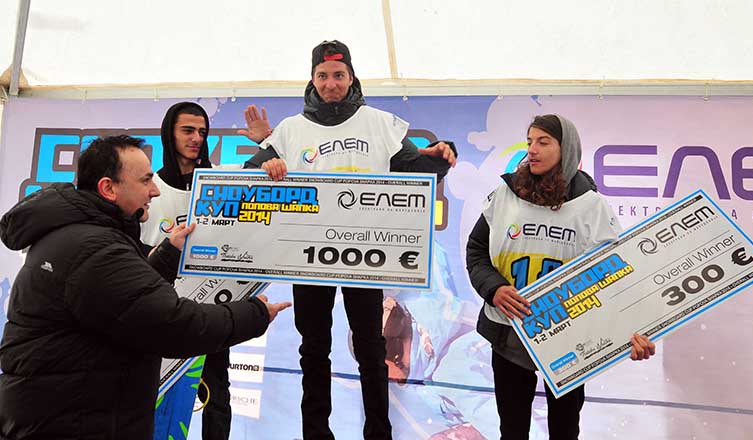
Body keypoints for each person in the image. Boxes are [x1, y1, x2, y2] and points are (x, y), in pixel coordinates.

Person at [0, 135, 290, 439]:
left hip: (65, 416)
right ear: (108, 188)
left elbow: (121, 303)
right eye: (145, 180)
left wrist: (167, 256)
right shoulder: (95, 249)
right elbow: (174, 326)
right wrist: (255, 313)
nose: (155, 190)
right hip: (74, 423)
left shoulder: (80, 237)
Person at [239, 40, 457, 439]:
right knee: (313, 349)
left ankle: (378, 433)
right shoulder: (290, 130)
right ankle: (316, 433)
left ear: (352, 77)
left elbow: (418, 169)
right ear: (312, 79)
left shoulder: (379, 123)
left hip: (364, 255)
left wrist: (442, 155)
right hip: (308, 257)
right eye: (322, 76)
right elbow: (249, 178)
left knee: (371, 350)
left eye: (338, 75)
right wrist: (266, 160)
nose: (331, 84)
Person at [465, 114, 655, 440]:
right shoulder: (506, 194)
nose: (532, 150)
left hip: (570, 338)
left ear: (566, 149)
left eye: (543, 142)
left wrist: (634, 330)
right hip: (510, 333)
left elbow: (616, 275)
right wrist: (493, 289)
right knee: (512, 430)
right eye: (529, 142)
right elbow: (477, 250)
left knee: (565, 430)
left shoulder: (591, 205)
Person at [140, 101, 235, 440]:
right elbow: (133, 248)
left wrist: (267, 148)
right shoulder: (150, 188)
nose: (196, 138)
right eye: (188, 130)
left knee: (217, 392)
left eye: (202, 132)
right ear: (170, 133)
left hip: (211, 304)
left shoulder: (221, 182)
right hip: (160, 308)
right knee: (152, 392)